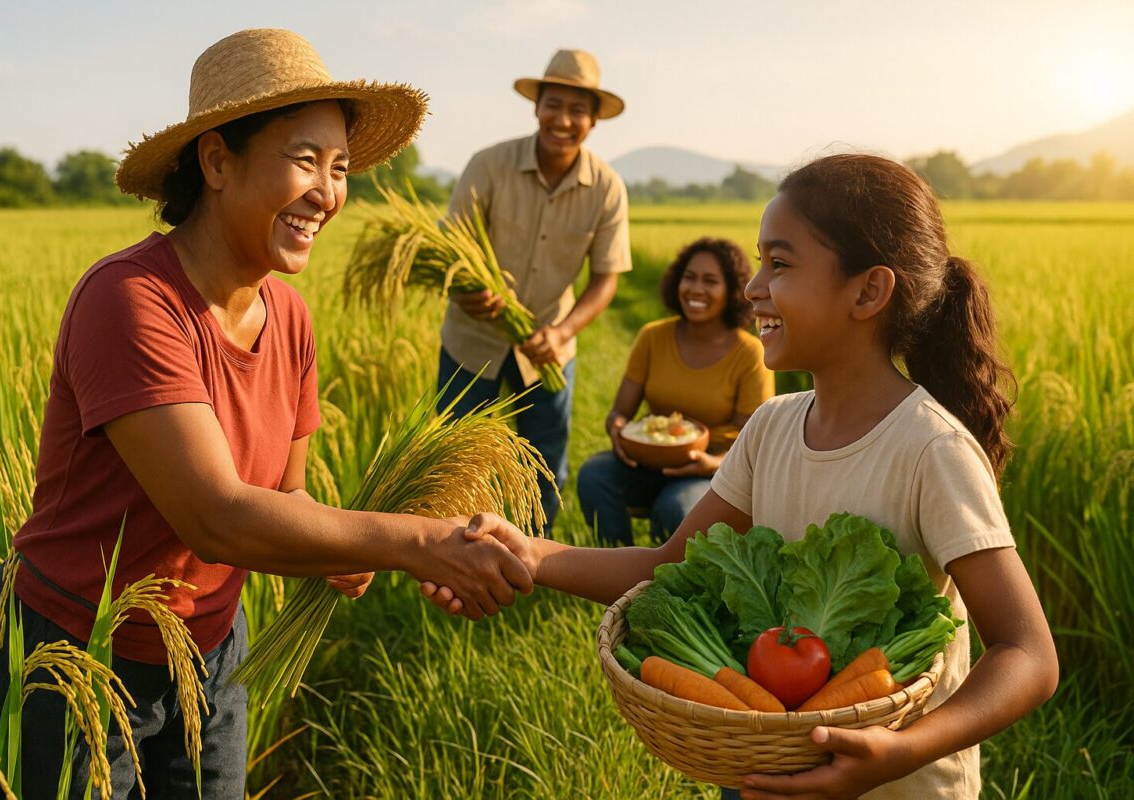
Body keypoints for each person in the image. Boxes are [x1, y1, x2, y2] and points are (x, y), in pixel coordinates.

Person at [0, 29, 535, 797]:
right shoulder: (133, 301)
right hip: (75, 660)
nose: (328, 193)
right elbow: (218, 516)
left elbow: (285, 496)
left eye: (340, 170)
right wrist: (417, 543)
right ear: (216, 160)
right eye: (305, 160)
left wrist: (348, 545)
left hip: (210, 655)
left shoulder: (290, 317)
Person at [424, 154, 1059, 799]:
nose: (753, 288)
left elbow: (1027, 654)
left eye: (779, 265)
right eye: (759, 262)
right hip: (764, 761)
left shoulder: (931, 451)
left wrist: (898, 753)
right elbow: (667, 564)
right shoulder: (772, 427)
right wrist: (529, 552)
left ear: (868, 292)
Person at [436, 48, 632, 533]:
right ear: (536, 107)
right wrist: (467, 292)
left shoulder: (607, 188)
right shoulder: (488, 165)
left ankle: (533, 556)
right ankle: (448, 555)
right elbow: (448, 251)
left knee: (544, 462)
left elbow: (606, 278)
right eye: (553, 105)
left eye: (577, 110)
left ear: (593, 120)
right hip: (471, 339)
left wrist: (563, 331)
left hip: (548, 346)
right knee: (456, 455)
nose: (563, 120)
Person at [577, 237, 773, 545]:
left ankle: (667, 585)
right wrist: (617, 431)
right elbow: (619, 413)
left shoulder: (749, 353)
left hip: (710, 469)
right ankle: (618, 571)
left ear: (732, 291)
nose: (696, 289)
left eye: (710, 281)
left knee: (676, 508)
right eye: (689, 277)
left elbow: (755, 445)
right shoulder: (653, 337)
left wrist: (711, 463)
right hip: (648, 460)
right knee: (594, 476)